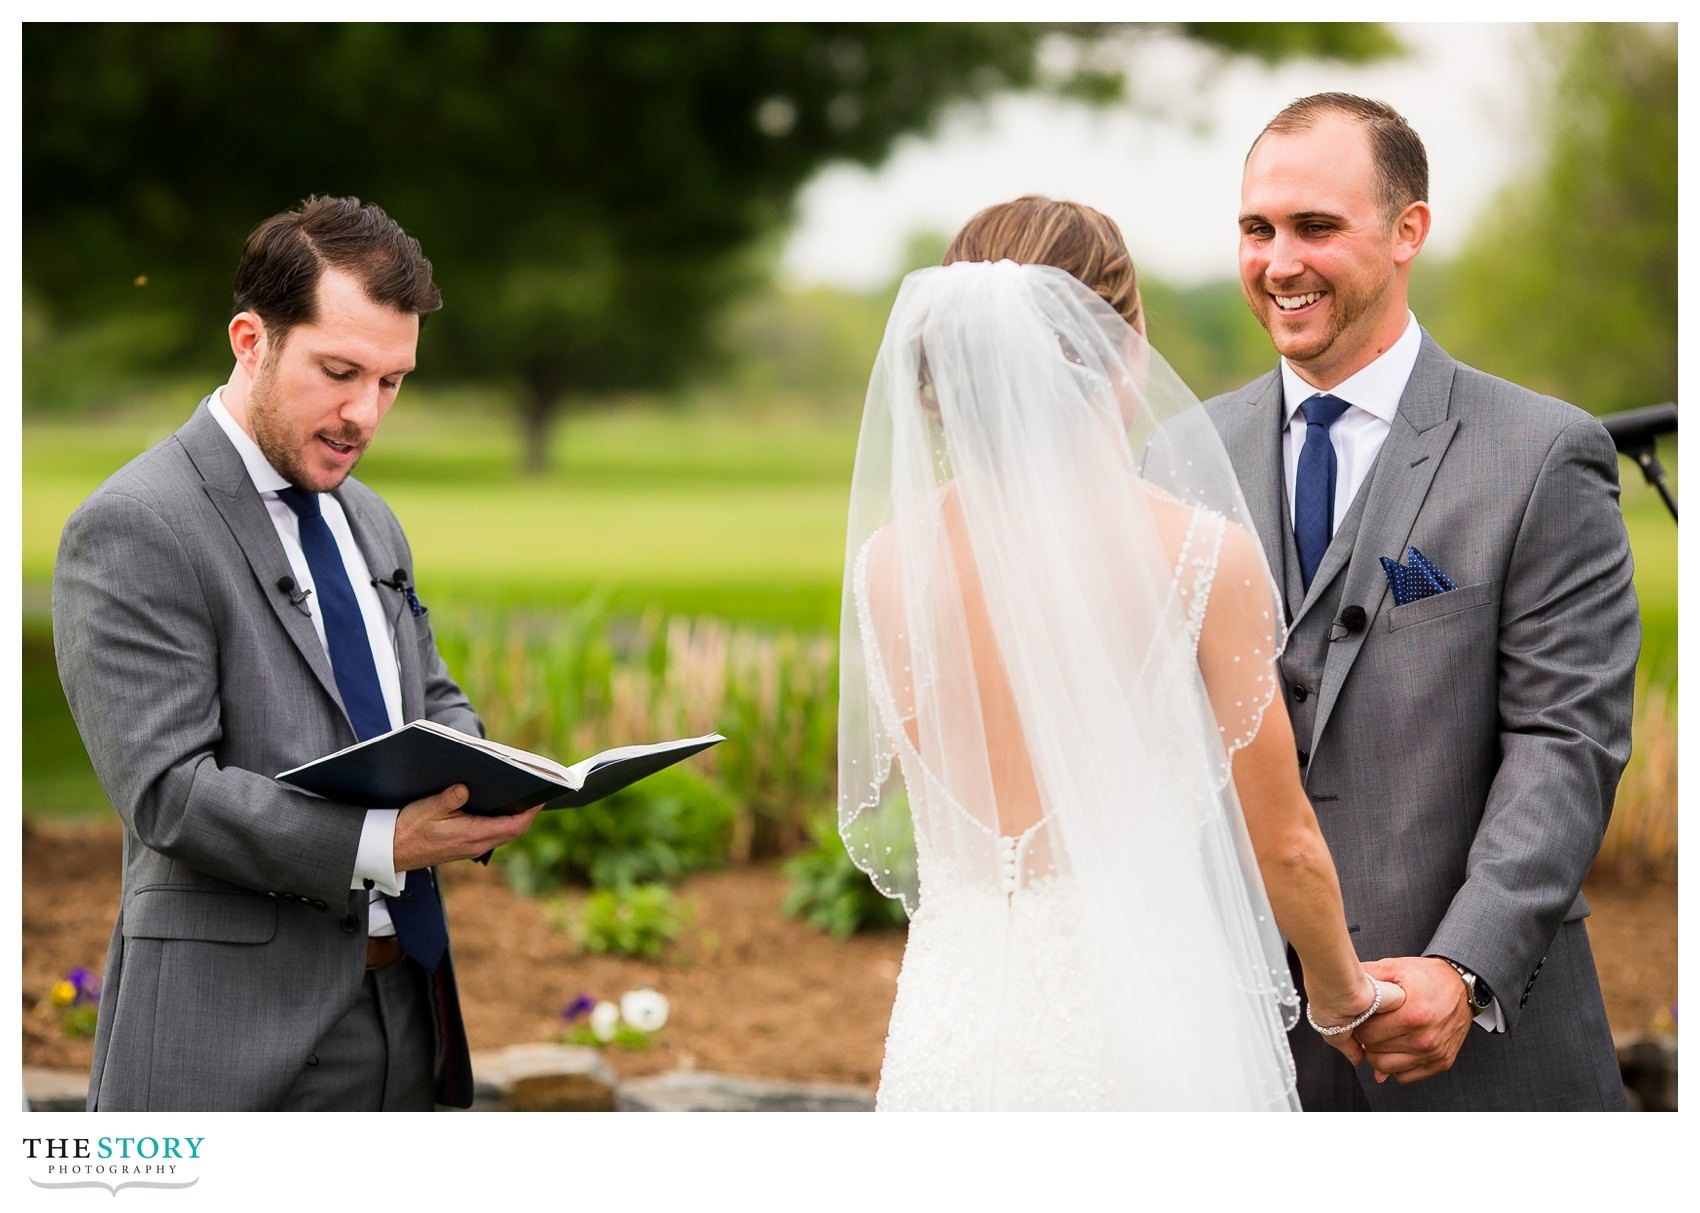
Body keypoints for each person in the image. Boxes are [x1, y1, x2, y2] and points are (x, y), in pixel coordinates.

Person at [837, 196, 1402, 1111]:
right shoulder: (1198, 555)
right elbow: (1284, 840)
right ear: (1121, 344)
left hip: (951, 1022)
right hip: (1138, 1023)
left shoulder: (888, 564)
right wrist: (1347, 998)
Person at [52, 195, 541, 1111]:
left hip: (412, 1007)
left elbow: (425, 692)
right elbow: (168, 789)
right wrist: (382, 839)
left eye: (393, 381)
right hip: (232, 1038)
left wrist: (498, 773)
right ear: (250, 339)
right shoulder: (133, 524)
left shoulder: (371, 516)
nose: (365, 412)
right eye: (340, 370)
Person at [1206, 93, 1637, 1110]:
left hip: (1482, 1057)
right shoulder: (1182, 456)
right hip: (1237, 1048)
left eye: (1315, 226)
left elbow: (1563, 740)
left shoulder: (1538, 453)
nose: (1278, 261)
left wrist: (1463, 968)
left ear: (1408, 231)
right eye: (1255, 228)